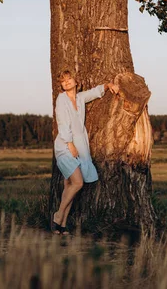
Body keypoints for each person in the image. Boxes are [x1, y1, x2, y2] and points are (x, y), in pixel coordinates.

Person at [51, 70, 119, 235]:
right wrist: (70, 144)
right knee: (78, 183)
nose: (66, 82)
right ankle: (58, 214)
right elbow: (62, 123)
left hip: (80, 147)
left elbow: (94, 92)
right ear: (61, 85)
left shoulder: (80, 98)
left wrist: (109, 85)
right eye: (63, 80)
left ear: (76, 81)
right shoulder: (62, 100)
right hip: (65, 146)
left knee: (69, 185)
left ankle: (62, 225)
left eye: (69, 79)